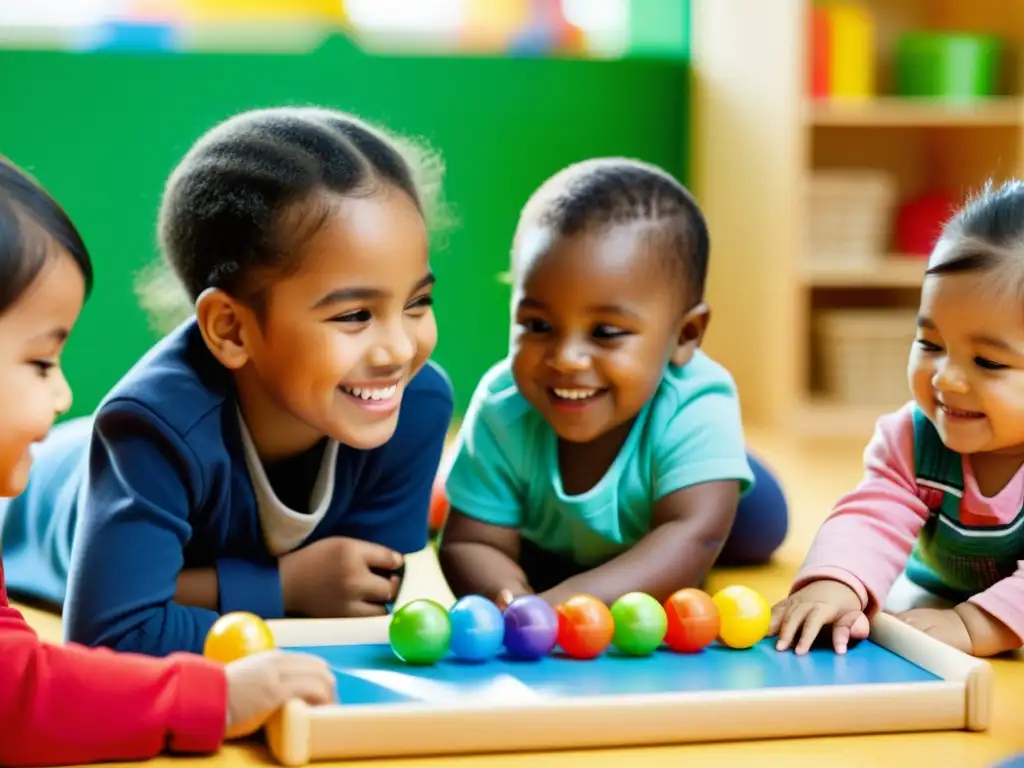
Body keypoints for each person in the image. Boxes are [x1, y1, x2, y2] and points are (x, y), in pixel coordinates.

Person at [0, 106, 454, 657]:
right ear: (231, 328)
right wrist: (284, 586)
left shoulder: (416, 403)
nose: (400, 350)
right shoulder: (148, 428)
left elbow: (359, 603)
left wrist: (294, 593)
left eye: (417, 303)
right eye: (355, 315)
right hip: (40, 494)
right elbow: (115, 629)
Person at [0, 155, 335, 766]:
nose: (63, 391)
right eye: (41, 363)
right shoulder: (152, 422)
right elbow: (20, 694)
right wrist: (212, 698)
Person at [437, 158, 788, 608]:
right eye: (538, 324)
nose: (566, 358)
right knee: (512, 542)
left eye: (605, 332)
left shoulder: (697, 400)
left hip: (705, 501)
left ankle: (719, 463)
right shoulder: (503, 404)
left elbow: (691, 540)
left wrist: (567, 602)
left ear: (686, 336)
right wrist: (512, 602)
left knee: (760, 530)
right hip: (556, 532)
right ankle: (459, 470)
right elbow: (472, 544)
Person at [771, 180, 1024, 658]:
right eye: (931, 345)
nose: (947, 379)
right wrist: (836, 582)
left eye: (988, 362)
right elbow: (872, 515)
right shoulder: (913, 437)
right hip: (934, 600)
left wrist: (973, 625)